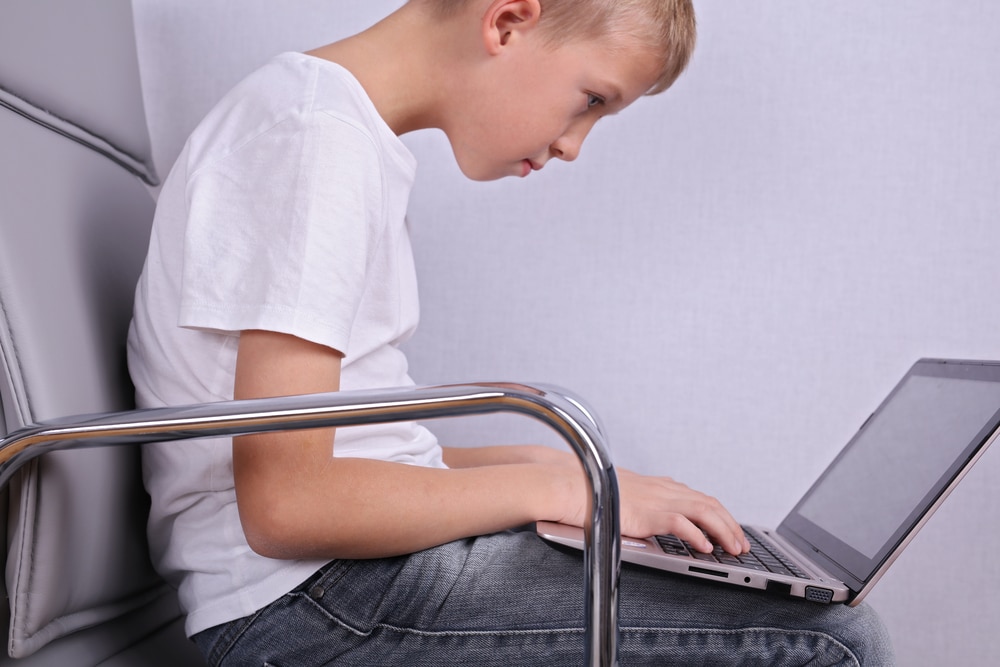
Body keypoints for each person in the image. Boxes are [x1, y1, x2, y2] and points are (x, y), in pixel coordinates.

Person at [127, 0, 895, 664]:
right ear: (507, 21)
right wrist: (562, 485)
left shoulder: (334, 131)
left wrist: (533, 461)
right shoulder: (311, 144)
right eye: (591, 99)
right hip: (309, 607)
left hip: (340, 581)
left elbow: (335, 454)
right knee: (832, 638)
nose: (572, 144)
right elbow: (290, 503)